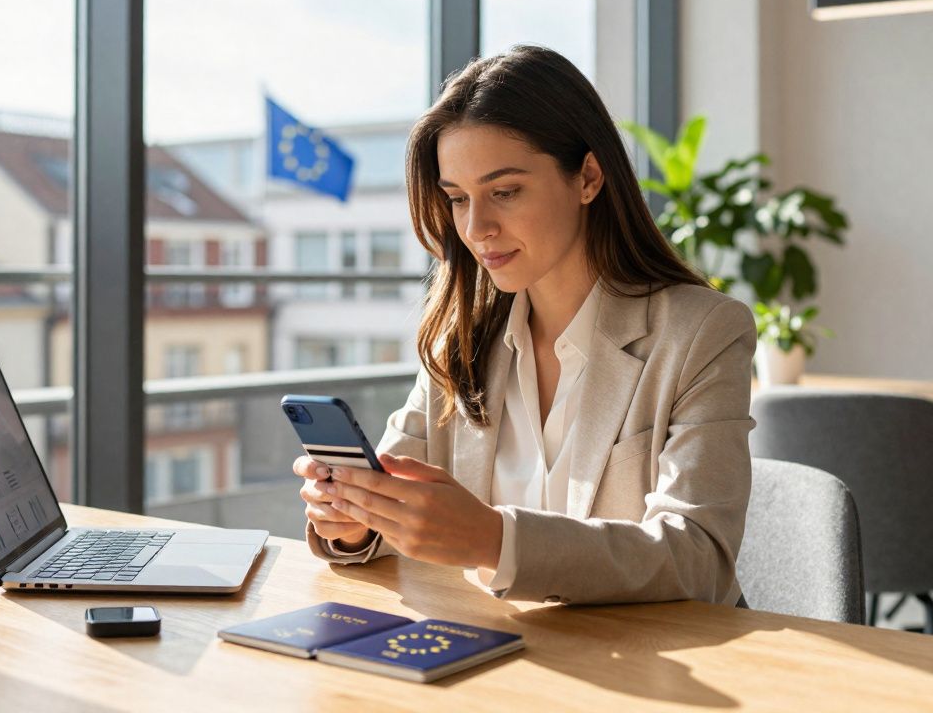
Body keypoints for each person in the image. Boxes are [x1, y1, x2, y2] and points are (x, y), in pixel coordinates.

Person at [292, 45, 755, 606]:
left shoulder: (702, 332)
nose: (477, 226)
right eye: (458, 198)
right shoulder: (457, 338)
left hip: (658, 674)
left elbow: (698, 557)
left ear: (587, 177)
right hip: (506, 659)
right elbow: (399, 503)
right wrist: (355, 521)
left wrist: (495, 540)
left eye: (505, 192)